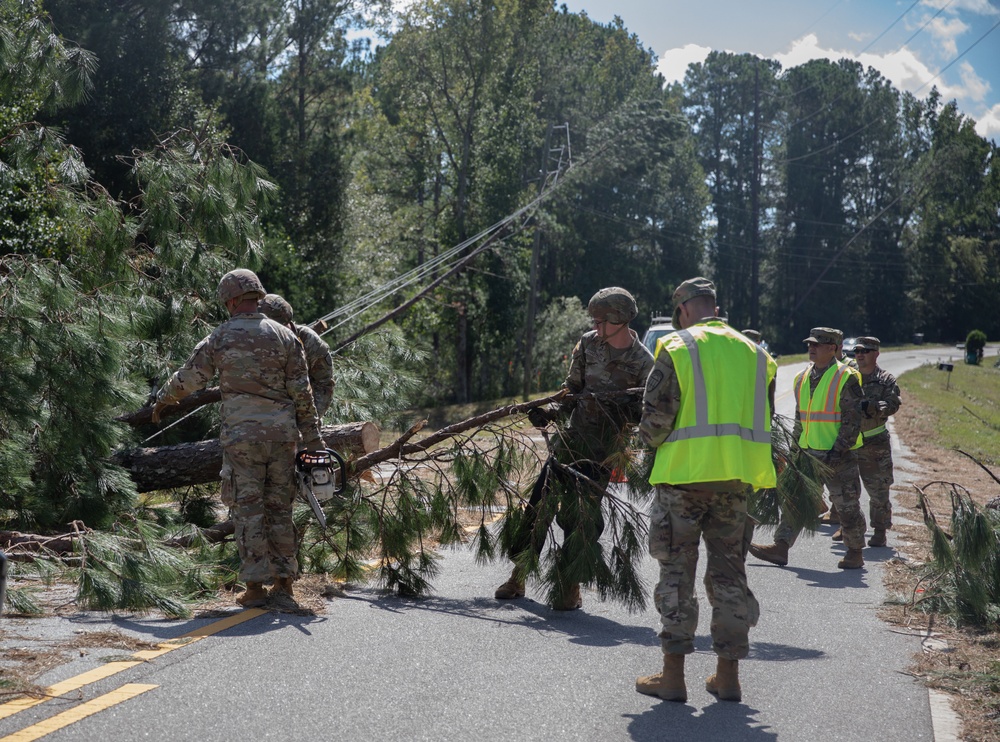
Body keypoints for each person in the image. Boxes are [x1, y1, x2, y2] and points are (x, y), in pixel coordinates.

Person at [635, 277, 776, 704]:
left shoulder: (677, 348)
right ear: (714, 306)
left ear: (682, 310)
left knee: (677, 574)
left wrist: (642, 442)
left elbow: (656, 424)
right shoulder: (757, 355)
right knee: (729, 575)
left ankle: (673, 676)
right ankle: (728, 677)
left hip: (684, 482)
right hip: (734, 483)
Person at [152, 270, 325, 608]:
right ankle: (285, 585)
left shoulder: (221, 336)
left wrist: (162, 400)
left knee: (248, 510)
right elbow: (303, 393)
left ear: (231, 301)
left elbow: (190, 378)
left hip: (242, 440)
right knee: (280, 508)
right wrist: (314, 439)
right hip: (281, 438)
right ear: (257, 298)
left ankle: (256, 589)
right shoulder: (286, 337)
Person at [494, 287, 654, 610]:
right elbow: (572, 391)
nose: (595, 327)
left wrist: (621, 409)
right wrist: (550, 413)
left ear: (619, 320)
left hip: (603, 454)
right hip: (570, 442)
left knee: (581, 519)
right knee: (539, 504)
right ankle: (520, 573)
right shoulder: (587, 344)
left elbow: (643, 415)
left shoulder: (643, 364)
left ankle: (570, 584)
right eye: (594, 321)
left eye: (600, 321)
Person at [748, 327, 866, 570]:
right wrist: (794, 451)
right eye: (810, 344)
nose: (811, 348)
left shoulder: (846, 376)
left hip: (838, 456)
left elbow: (852, 420)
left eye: (818, 344)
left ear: (833, 348)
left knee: (847, 506)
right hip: (807, 453)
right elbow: (800, 419)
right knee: (795, 501)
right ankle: (781, 547)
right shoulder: (802, 377)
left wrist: (838, 451)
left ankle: (855, 551)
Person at [851, 337, 901, 547]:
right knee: (847, 491)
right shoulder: (848, 376)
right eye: (857, 351)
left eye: (865, 350)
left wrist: (874, 407)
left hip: (874, 443)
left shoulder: (885, 379)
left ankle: (880, 531)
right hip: (849, 442)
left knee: (879, 490)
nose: (860, 354)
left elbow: (892, 404)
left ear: (876, 353)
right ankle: (851, 528)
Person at [258, 293, 335, 419]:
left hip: (304, 405)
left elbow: (324, 384)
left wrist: (310, 420)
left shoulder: (309, 341)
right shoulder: (260, 341)